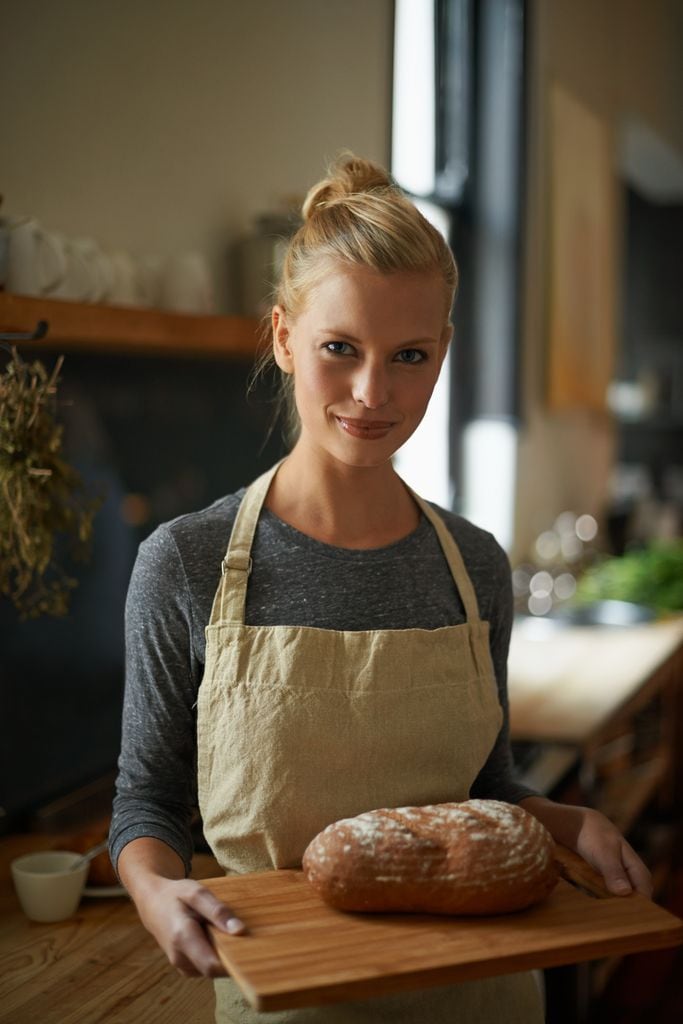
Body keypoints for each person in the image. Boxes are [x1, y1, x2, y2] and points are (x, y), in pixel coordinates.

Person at [110, 153, 652, 1023]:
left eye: (408, 355)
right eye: (339, 349)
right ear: (284, 338)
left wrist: (566, 824)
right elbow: (147, 797)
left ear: (442, 352)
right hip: (290, 995)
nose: (373, 392)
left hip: (482, 996)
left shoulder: (472, 566)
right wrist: (153, 893)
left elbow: (487, 788)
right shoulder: (187, 564)